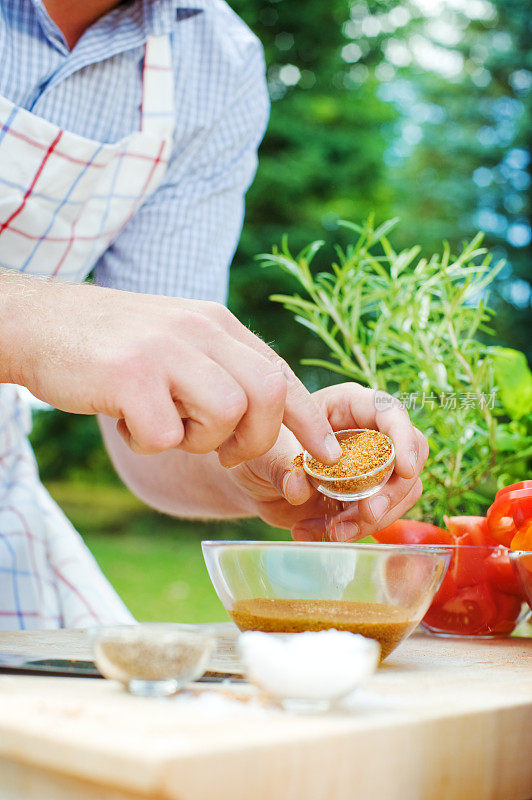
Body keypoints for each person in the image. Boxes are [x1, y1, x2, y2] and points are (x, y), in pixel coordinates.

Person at [0, 0, 427, 630]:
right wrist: (33, 323)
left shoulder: (214, 60)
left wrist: (263, 457)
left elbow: (159, 424)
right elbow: (56, 328)